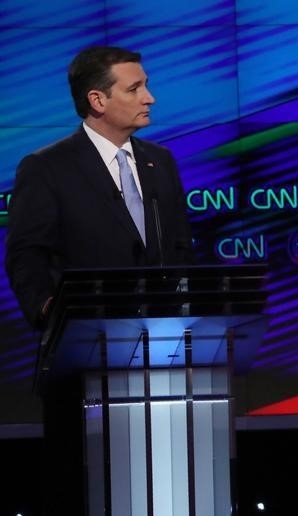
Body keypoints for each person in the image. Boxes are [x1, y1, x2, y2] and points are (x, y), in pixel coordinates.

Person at [4, 46, 193, 513]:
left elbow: (181, 252)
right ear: (98, 100)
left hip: (161, 359)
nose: (150, 97)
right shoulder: (47, 168)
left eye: (145, 84)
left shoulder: (160, 163)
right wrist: (53, 313)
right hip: (83, 363)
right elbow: (26, 256)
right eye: (135, 88)